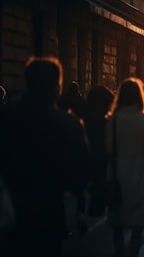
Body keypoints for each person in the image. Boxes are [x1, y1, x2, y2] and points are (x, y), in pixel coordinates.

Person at [0, 55, 91, 257]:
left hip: (8, 215)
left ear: (27, 83)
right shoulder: (68, 124)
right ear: (57, 86)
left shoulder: (2, 117)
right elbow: (80, 175)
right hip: (49, 216)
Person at [105, 77, 144, 257]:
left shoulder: (112, 120)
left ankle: (119, 253)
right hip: (139, 173)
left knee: (117, 222)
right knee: (137, 222)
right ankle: (133, 254)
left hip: (116, 175)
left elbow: (108, 147)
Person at [57, 80, 90, 231]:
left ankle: (62, 221)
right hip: (77, 144)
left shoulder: (62, 100)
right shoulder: (82, 101)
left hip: (61, 145)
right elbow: (87, 120)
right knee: (79, 190)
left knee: (60, 190)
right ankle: (80, 215)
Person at [83, 85, 115, 218]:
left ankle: (83, 212)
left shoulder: (82, 120)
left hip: (86, 162)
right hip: (103, 163)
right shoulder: (108, 123)